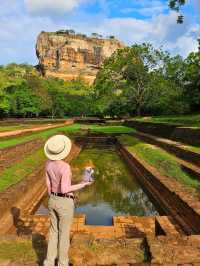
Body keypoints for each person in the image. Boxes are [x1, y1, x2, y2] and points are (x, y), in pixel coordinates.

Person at [43, 135, 93, 266]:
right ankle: (62, 263)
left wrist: (54, 197)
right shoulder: (64, 166)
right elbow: (65, 189)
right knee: (64, 234)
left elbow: (48, 186)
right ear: (64, 150)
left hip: (52, 199)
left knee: (54, 232)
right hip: (64, 203)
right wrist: (83, 184)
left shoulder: (48, 164)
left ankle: (48, 262)